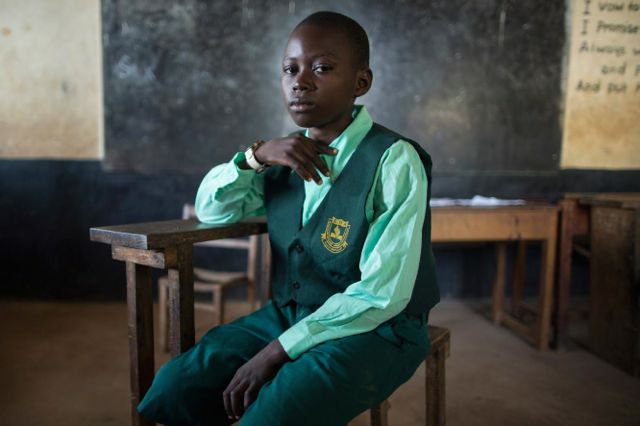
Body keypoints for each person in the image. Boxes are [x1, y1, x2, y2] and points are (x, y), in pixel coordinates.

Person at [138, 10, 439, 426]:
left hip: (379, 330)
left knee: (272, 413)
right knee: (175, 387)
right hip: (291, 314)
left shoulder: (393, 159)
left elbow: (382, 294)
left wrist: (277, 350)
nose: (300, 81)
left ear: (361, 82)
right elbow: (211, 210)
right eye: (289, 69)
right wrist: (253, 158)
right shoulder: (281, 157)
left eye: (322, 68)